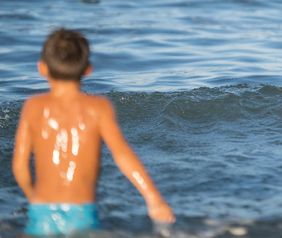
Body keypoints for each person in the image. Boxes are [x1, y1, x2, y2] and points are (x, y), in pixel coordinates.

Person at [12, 28, 175, 236]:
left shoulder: (33, 106)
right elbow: (122, 155)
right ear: (88, 69)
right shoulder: (98, 107)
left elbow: (19, 165)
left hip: (42, 209)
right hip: (82, 212)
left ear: (42, 68)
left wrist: (32, 195)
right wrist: (154, 198)